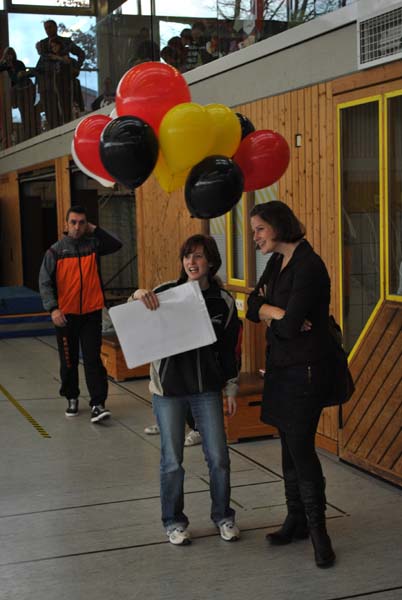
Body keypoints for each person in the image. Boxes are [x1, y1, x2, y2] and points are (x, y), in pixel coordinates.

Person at [131, 234, 241, 545]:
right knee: (172, 461)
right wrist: (137, 295)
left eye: (199, 256)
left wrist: (231, 387)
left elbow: (230, 350)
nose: (192, 262)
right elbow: (132, 315)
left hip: (206, 390)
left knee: (219, 457)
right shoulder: (165, 292)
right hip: (168, 391)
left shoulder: (223, 302)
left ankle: (223, 516)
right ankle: (174, 521)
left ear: (211, 262)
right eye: (187, 256)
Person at [246, 201, 336, 568]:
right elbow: (252, 305)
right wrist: (275, 311)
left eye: (260, 229)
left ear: (279, 226)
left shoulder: (309, 265)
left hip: (306, 372)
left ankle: (319, 533)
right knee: (286, 444)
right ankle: (295, 520)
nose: (255, 237)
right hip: (281, 368)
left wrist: (276, 317)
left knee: (300, 448)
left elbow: (286, 328)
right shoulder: (277, 262)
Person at [38, 205, 122, 423]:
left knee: (93, 360)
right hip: (65, 317)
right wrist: (53, 308)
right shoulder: (55, 252)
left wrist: (95, 230)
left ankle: (98, 404)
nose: (77, 227)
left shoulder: (93, 245)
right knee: (69, 360)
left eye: (81, 223)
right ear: (66, 224)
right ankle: (72, 397)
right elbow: (44, 282)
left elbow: (116, 244)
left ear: (86, 224)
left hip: (91, 314)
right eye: (73, 222)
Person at [35, 19, 85, 128]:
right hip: (48, 82)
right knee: (51, 111)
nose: (48, 30)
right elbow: (43, 61)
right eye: (46, 28)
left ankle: (67, 126)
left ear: (56, 27)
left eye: (50, 27)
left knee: (65, 107)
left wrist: (76, 67)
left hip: (63, 79)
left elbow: (81, 53)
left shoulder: (65, 42)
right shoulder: (43, 44)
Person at [0, 46, 38, 140]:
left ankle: (32, 132)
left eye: (11, 55)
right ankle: (27, 133)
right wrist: (3, 61)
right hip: (18, 91)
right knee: (23, 112)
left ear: (13, 55)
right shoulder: (7, 66)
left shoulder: (19, 63)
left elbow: (25, 73)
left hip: (25, 88)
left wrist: (22, 73)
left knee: (29, 111)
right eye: (7, 55)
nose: (9, 57)